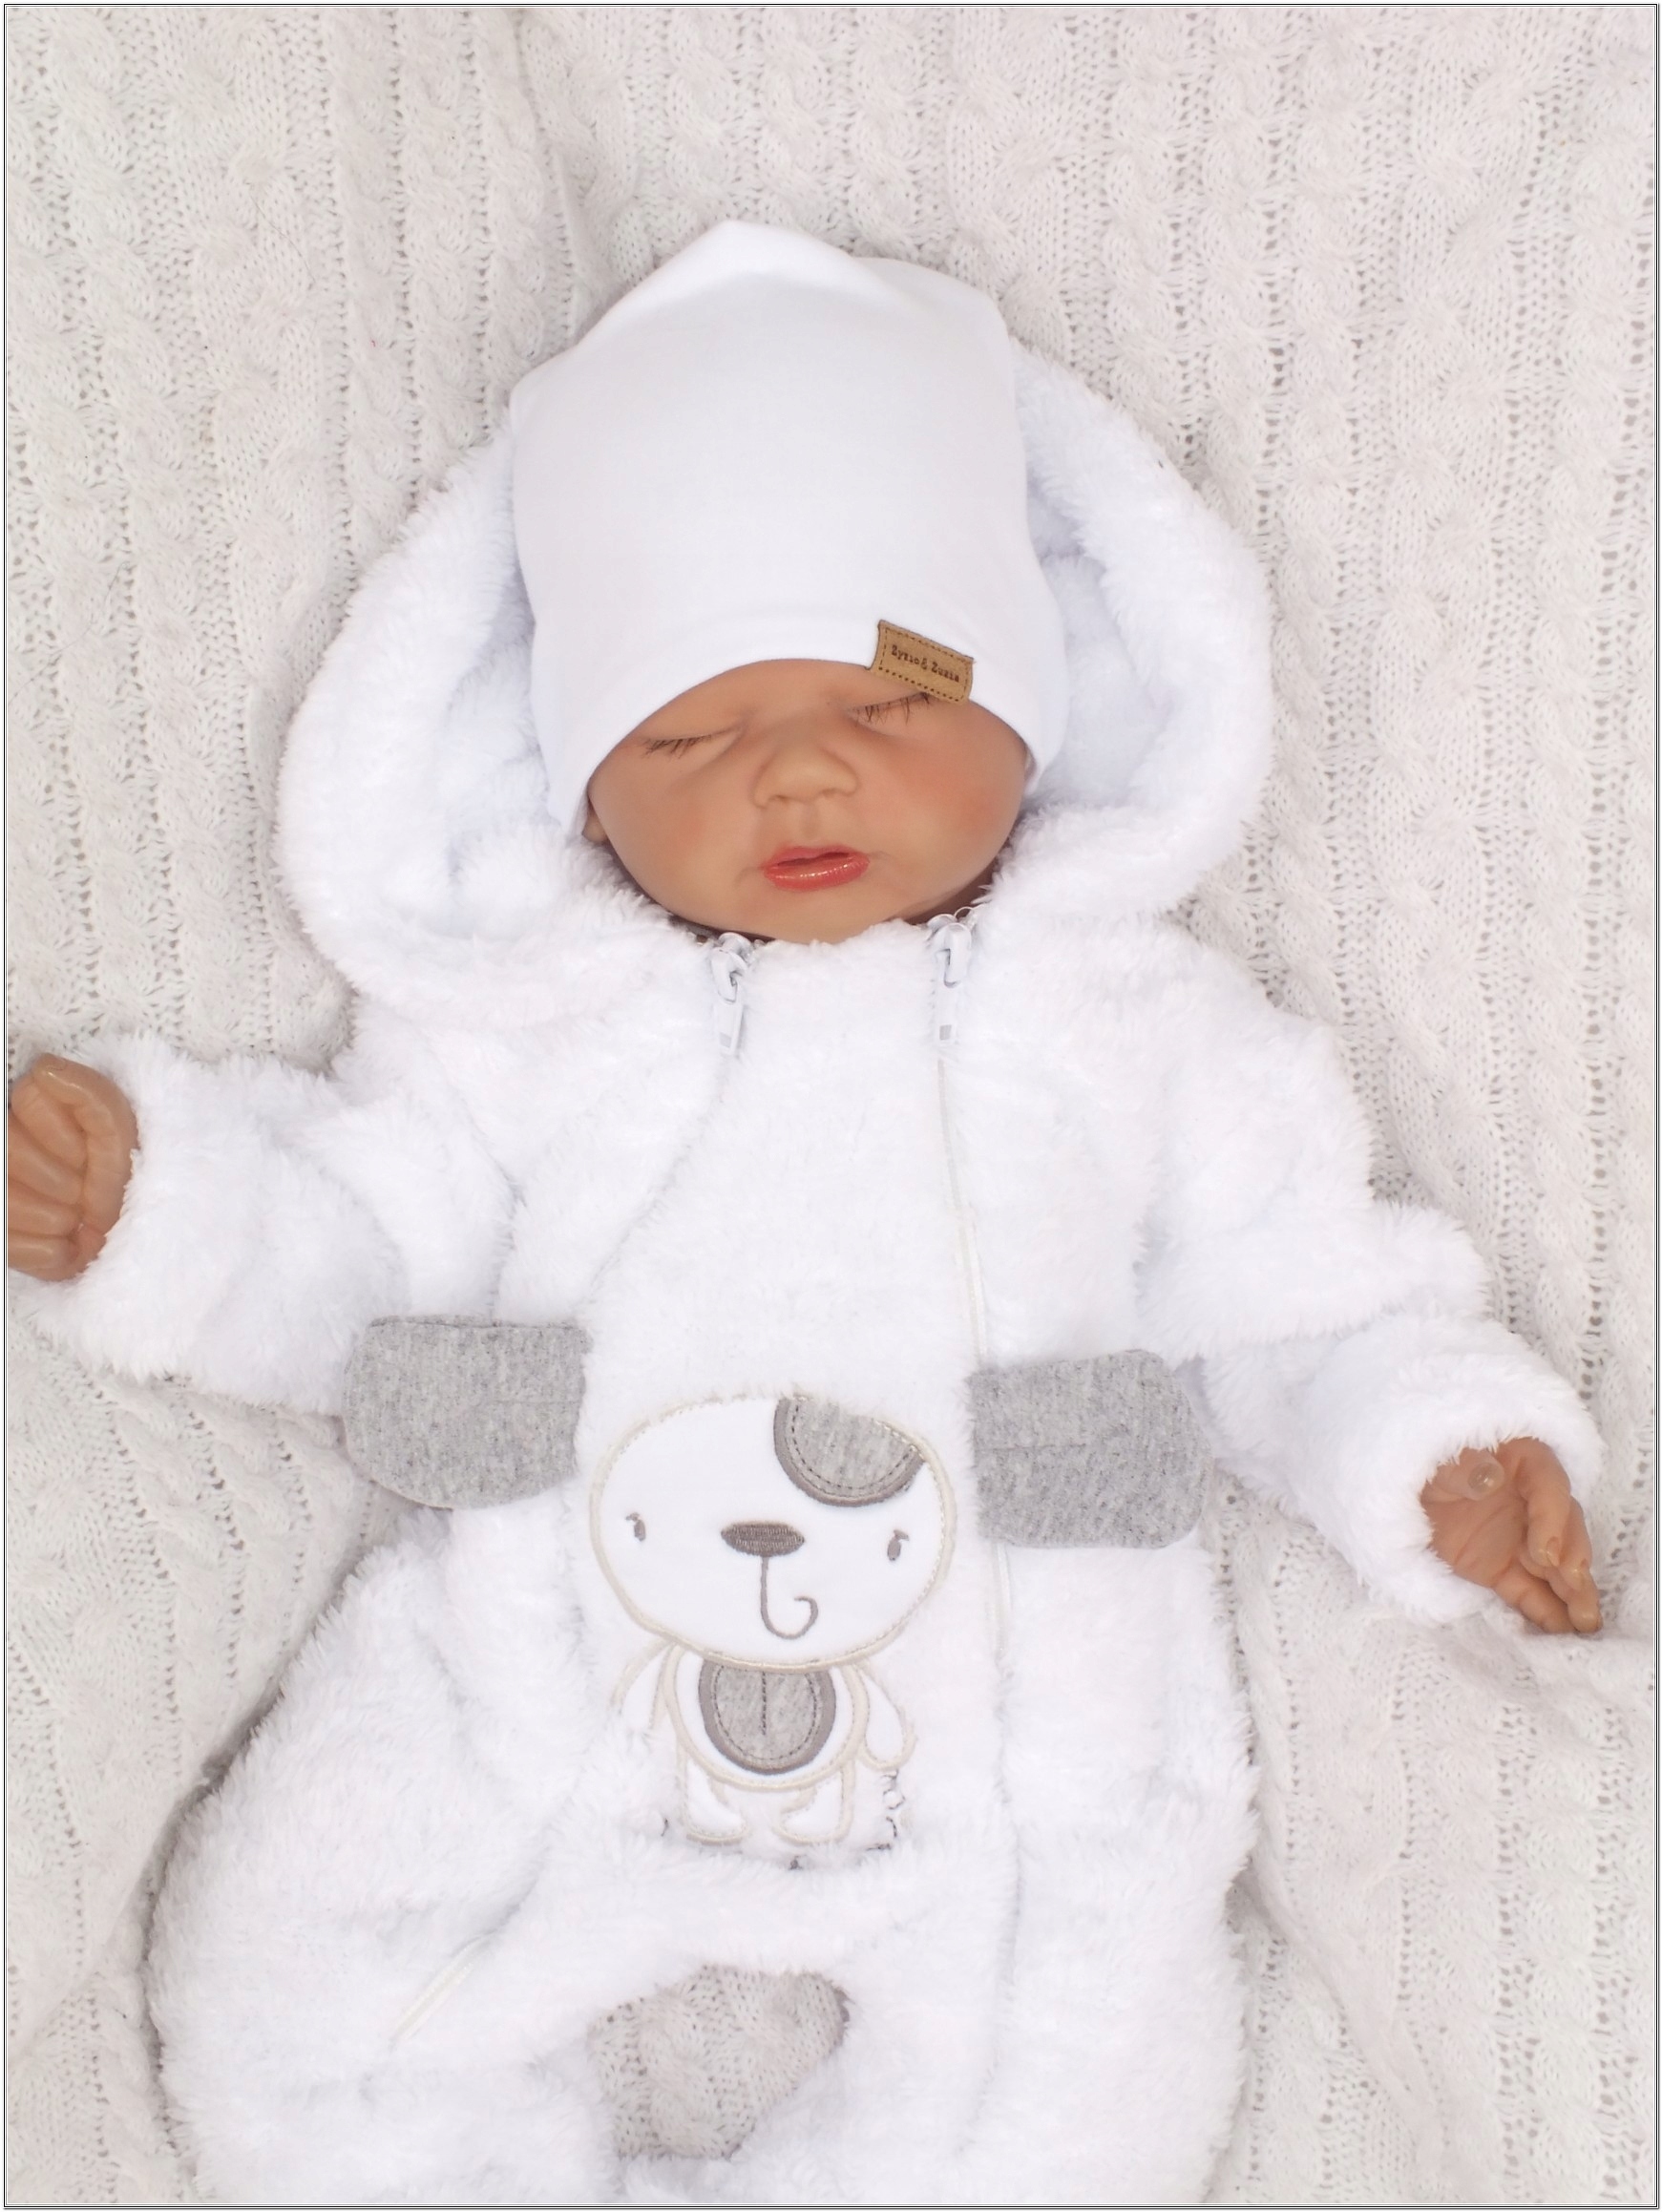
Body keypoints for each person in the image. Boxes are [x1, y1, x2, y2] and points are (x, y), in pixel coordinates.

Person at [5, 222, 1602, 2205]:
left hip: (1027, 1755)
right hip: (533, 1697)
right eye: (686, 733)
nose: (802, 772)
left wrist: (1434, 1448)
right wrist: (160, 1204)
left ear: (1037, 706)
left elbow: (1300, 1297)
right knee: (293, 2025)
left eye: (894, 699)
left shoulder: (1139, 1026)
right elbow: (361, 1244)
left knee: (1072, 2116)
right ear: (578, 782)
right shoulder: (532, 1025)